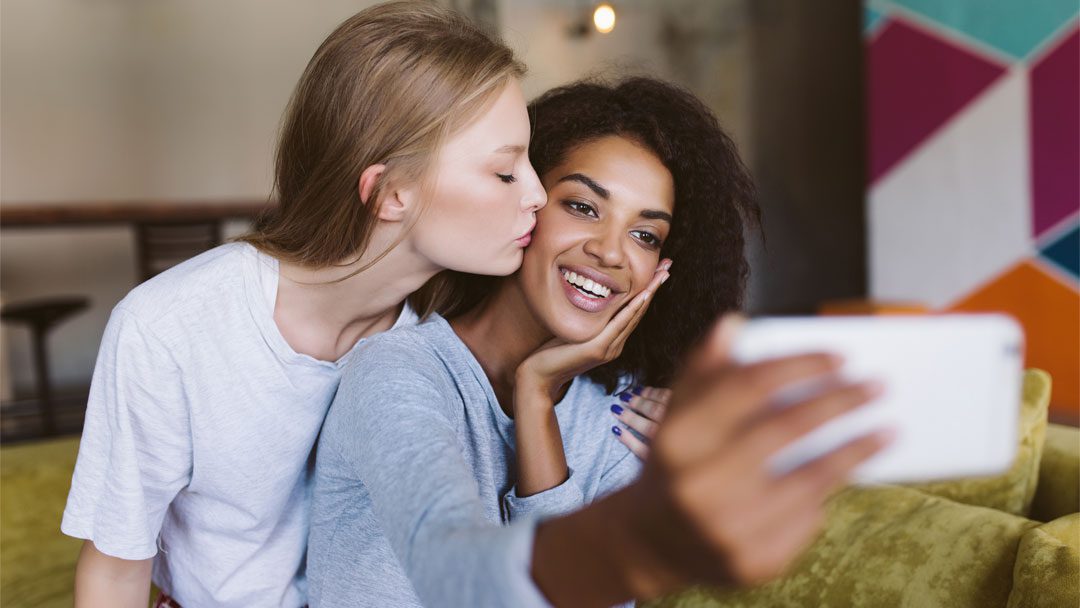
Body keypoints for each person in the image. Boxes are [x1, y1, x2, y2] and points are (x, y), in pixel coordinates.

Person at [307, 77, 891, 607]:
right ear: (526, 205)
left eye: (644, 233)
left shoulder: (619, 416)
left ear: (663, 267)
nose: (611, 252)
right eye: (583, 206)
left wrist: (536, 403)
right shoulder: (397, 373)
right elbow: (455, 573)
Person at [61, 3, 546, 606]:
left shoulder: (442, 334)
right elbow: (113, 571)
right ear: (390, 193)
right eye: (505, 173)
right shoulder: (168, 329)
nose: (538, 194)